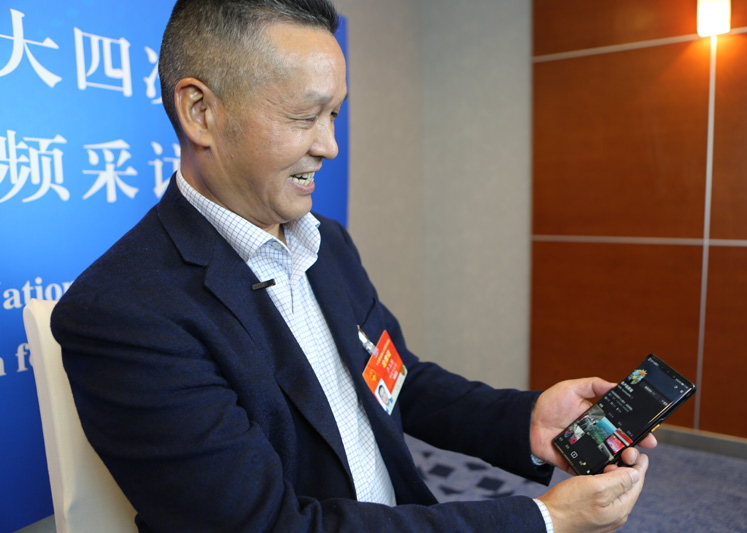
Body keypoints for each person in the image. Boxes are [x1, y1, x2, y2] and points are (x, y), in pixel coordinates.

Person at [51, 1, 654, 531]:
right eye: (303, 117)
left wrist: (526, 421)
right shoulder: (124, 314)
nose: (329, 146)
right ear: (200, 112)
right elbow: (267, 526)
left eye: (335, 115)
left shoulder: (326, 242)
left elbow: (396, 379)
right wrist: (542, 521)